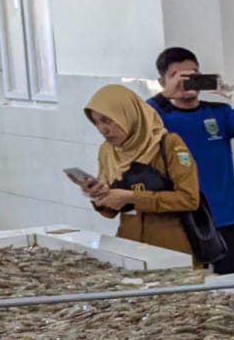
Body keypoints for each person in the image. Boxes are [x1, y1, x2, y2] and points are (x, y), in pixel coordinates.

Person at [148, 46, 234, 273]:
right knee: (187, 286)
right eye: (177, 76)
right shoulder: (158, 117)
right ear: (162, 81)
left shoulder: (219, 113)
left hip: (225, 216)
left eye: (193, 73)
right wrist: (166, 95)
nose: (187, 81)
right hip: (179, 218)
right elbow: (137, 125)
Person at [80, 84, 200, 255]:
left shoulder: (169, 144)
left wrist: (132, 197)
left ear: (129, 115)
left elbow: (189, 199)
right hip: (129, 247)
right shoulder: (108, 150)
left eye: (107, 120)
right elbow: (110, 212)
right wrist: (99, 196)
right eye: (96, 122)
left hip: (172, 249)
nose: (102, 129)